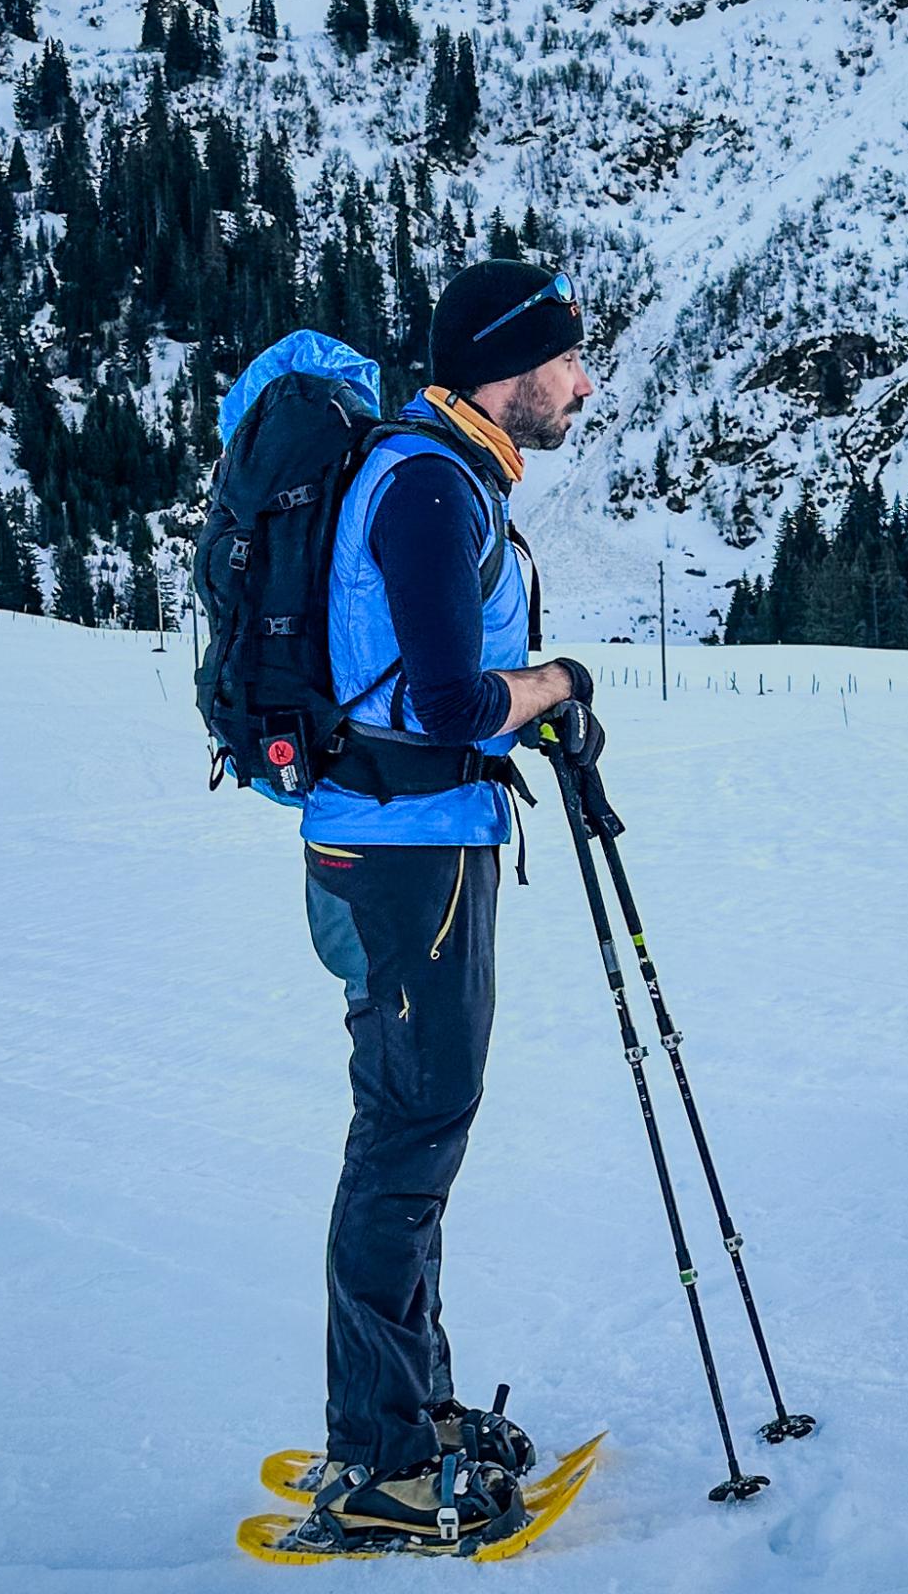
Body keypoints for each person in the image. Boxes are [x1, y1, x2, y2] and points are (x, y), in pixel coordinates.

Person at [295, 261, 601, 1550]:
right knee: (407, 1135)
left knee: (416, 1127)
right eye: (566, 360)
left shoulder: (447, 471)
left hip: (413, 840)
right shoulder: (426, 482)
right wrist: (556, 683)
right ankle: (378, 1458)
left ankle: (405, 1408)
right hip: (400, 852)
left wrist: (530, 698)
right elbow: (444, 702)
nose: (581, 385)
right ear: (505, 363)